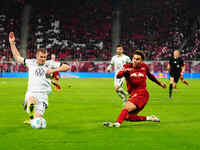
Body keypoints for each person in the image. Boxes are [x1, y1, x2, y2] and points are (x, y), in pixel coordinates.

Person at [9, 32, 70, 124]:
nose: (43, 59)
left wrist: (53, 70)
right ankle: (30, 107)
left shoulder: (49, 64)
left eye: (45, 57)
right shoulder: (31, 62)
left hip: (43, 94)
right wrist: (12, 43)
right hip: (31, 92)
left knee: (38, 118)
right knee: (31, 101)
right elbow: (17, 57)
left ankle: (33, 118)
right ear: (37, 56)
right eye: (41, 57)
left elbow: (67, 67)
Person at [104, 50, 166, 128]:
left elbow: (150, 76)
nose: (135, 60)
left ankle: (117, 124)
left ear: (142, 60)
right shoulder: (127, 66)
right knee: (127, 117)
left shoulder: (144, 67)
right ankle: (150, 118)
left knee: (126, 108)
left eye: (137, 59)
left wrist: (160, 83)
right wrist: (124, 71)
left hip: (142, 94)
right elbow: (118, 76)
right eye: (134, 58)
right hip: (133, 94)